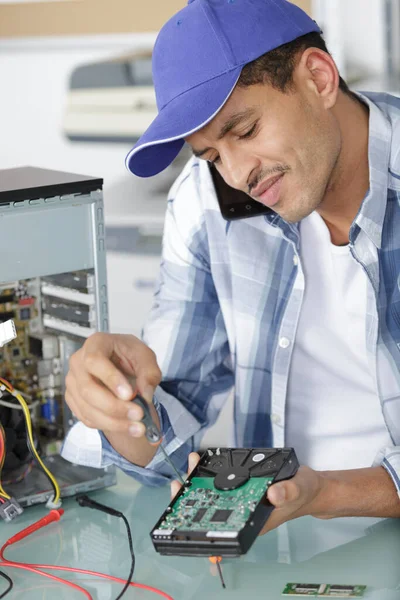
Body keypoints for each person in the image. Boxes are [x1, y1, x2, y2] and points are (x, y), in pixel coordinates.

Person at [62, 0, 400, 534]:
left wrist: (321, 493)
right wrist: (117, 400)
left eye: (244, 131)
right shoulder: (203, 202)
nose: (239, 174)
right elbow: (167, 430)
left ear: (318, 77)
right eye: (213, 156)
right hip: (278, 549)